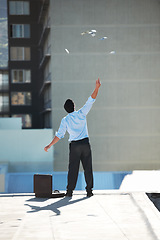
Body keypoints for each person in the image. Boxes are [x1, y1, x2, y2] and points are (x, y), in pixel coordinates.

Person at [44, 78, 101, 197]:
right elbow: (91, 100)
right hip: (85, 144)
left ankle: (69, 192)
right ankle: (89, 191)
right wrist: (96, 88)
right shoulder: (81, 113)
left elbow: (59, 136)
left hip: (74, 146)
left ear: (66, 109)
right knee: (88, 168)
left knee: (73, 169)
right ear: (74, 106)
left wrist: (49, 145)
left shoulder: (65, 120)